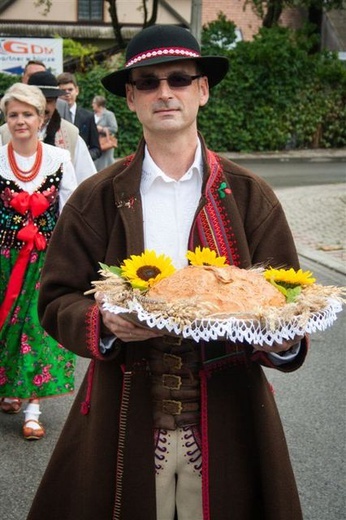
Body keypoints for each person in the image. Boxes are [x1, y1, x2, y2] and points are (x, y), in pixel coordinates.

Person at [27, 25, 308, 519]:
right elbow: (55, 300)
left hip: (229, 413)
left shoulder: (248, 196)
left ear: (202, 90)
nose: (165, 93)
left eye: (179, 79)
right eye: (148, 82)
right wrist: (103, 323)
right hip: (124, 406)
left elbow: (290, 300)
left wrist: (281, 334)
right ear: (131, 98)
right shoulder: (97, 198)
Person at [0, 83, 78, 441]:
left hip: (45, 261)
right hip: (4, 261)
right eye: (13, 114)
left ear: (41, 117)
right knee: (8, 329)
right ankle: (11, 388)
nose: (20, 121)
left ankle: (33, 409)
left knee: (36, 329)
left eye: (27, 114)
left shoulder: (59, 159)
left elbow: (73, 209)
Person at [0, 71, 97, 185]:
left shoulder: (71, 135)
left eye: (48, 101)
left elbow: (87, 182)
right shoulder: (4, 133)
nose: (43, 106)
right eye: (37, 102)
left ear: (56, 101)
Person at [56, 72, 101, 162]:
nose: (67, 94)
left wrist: (82, 158)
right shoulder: (52, 116)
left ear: (77, 90)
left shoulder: (88, 116)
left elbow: (96, 149)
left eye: (70, 90)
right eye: (63, 91)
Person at [92, 94, 118, 171]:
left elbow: (114, 129)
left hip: (105, 145)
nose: (92, 104)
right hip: (95, 144)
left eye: (94, 103)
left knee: (106, 167)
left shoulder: (109, 115)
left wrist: (102, 129)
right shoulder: (92, 115)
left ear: (99, 104)